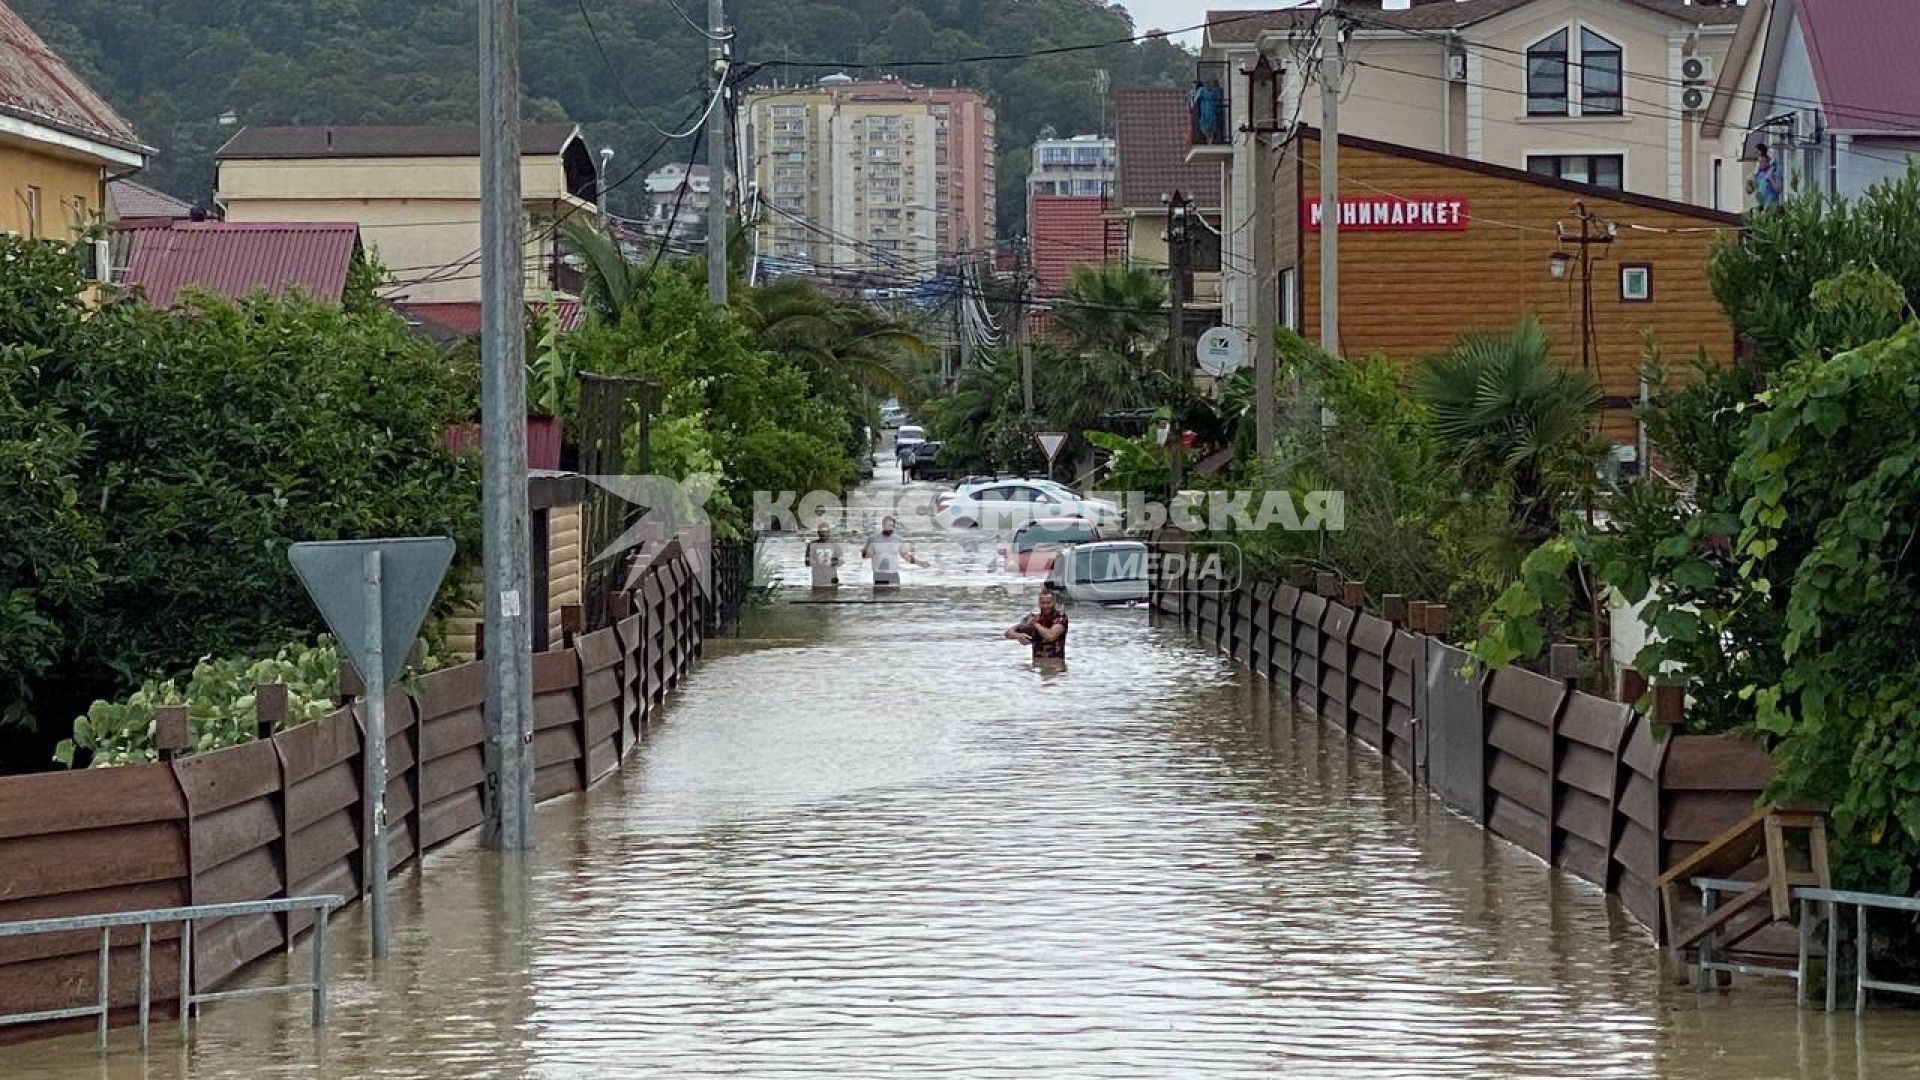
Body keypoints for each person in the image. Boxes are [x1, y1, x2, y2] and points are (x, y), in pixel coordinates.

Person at [1005, 587, 1069, 660]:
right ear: (1039, 603)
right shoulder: (1033, 617)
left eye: (1049, 603)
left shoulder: (1061, 617)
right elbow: (1008, 633)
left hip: (1056, 663)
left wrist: (1036, 624)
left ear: (1054, 602)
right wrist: (1018, 635)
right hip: (1037, 663)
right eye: (1043, 603)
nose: (1046, 606)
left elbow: (1051, 636)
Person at [862, 516, 927, 587]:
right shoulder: (873, 539)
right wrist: (866, 552)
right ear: (883, 525)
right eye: (888, 525)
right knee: (880, 597)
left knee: (895, 597)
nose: (890, 528)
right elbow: (865, 556)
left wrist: (919, 563)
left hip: (894, 574)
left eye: (892, 526)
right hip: (879, 574)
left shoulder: (898, 540)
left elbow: (905, 555)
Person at [806, 522, 841, 588]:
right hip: (817, 580)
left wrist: (832, 562)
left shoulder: (835, 545)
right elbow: (807, 562)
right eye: (821, 532)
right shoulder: (812, 545)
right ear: (818, 533)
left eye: (825, 531)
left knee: (833, 597)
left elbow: (841, 561)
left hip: (831, 579)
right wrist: (817, 562)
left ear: (828, 532)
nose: (823, 533)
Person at [1752, 143, 1783, 209]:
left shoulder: (1775, 171)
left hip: (1773, 206)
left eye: (1762, 162)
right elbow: (1756, 189)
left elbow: (1779, 190)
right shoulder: (1758, 172)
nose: (1760, 164)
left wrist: (1771, 178)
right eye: (1759, 162)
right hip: (1762, 206)